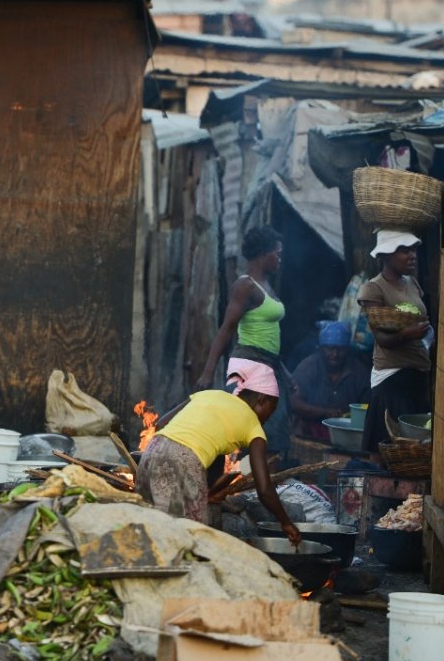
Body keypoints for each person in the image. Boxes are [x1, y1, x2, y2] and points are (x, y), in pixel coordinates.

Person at [137, 360, 301, 543]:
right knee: (190, 540)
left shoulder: (211, 395)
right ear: (263, 400)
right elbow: (264, 489)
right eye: (273, 408)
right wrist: (286, 523)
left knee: (149, 529)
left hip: (150, 455)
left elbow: (160, 424)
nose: (270, 417)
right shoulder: (254, 427)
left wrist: (209, 491)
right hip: (182, 463)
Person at [196, 226, 292, 460]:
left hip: (270, 366)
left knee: (273, 437)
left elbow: (270, 335)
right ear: (263, 254)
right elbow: (227, 329)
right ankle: (235, 488)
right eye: (276, 254)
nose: (279, 259)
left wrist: (286, 374)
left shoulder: (268, 285)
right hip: (249, 366)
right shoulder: (245, 286)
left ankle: (258, 489)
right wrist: (208, 372)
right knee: (239, 433)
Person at [357, 230, 432, 458]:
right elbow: (382, 339)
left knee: (415, 450)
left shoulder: (411, 283)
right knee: (386, 449)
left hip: (417, 374)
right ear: (387, 255)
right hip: (392, 379)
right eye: (404, 250)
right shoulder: (374, 288)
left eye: (413, 250)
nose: (412, 256)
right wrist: (409, 333)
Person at [291, 321, 371, 441]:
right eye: (329, 348)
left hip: (347, 433)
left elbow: (368, 408)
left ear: (347, 349)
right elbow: (294, 403)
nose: (335, 354)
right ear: (321, 347)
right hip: (309, 430)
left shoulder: (359, 372)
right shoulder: (308, 367)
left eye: (340, 349)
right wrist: (325, 412)